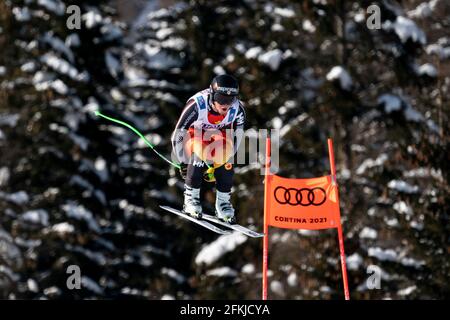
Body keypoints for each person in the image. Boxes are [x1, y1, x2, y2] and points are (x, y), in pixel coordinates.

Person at [171, 74, 246, 223]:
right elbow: (178, 134)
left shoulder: (237, 109)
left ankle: (223, 204)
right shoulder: (197, 105)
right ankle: (191, 200)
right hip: (193, 138)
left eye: (230, 99)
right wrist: (183, 161)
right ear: (212, 94)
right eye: (221, 99)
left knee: (227, 154)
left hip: (215, 138)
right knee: (199, 148)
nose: (225, 104)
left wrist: (218, 164)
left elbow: (238, 137)